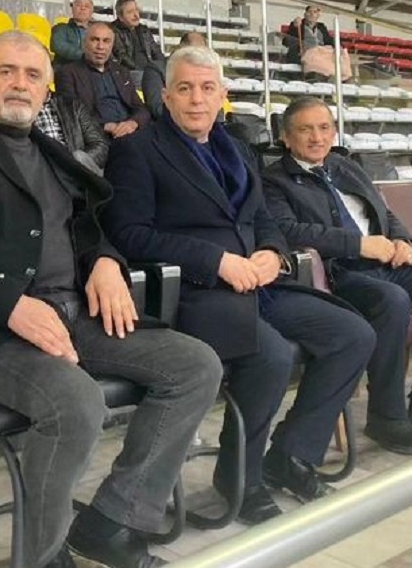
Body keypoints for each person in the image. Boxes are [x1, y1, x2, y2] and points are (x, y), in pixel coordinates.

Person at [0, 31, 222, 568]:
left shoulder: (55, 154)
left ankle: (112, 522)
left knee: (196, 366)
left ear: (46, 90)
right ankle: (42, 558)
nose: (19, 84)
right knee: (76, 403)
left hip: (75, 315)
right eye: (6, 71)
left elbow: (88, 227)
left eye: (32, 75)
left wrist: (107, 262)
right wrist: (8, 302)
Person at [102, 47, 376, 525]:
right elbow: (129, 233)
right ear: (166, 96)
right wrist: (217, 261)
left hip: (258, 285)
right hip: (194, 292)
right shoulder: (137, 150)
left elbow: (263, 218)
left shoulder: (236, 147)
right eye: (185, 88)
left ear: (222, 96)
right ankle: (239, 480)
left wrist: (271, 251)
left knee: (353, 336)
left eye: (207, 88)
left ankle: (291, 455)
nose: (197, 99)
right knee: (269, 356)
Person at [262, 96, 412, 455]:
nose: (317, 137)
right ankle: (386, 417)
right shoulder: (274, 181)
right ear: (286, 138)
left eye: (324, 128)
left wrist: (402, 241)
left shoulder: (344, 165)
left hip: (386, 263)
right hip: (338, 273)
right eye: (305, 130)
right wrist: (359, 245)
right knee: (391, 300)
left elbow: (384, 211)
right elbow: (289, 231)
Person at [55, 22, 150, 140]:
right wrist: (105, 126)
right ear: (84, 43)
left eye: (106, 41)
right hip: (98, 136)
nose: (100, 46)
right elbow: (70, 115)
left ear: (112, 46)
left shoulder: (121, 72)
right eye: (95, 40)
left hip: (130, 132)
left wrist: (133, 123)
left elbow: (141, 108)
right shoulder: (67, 73)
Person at [35, 92, 108, 173]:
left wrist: (74, 162)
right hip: (44, 173)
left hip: (80, 170)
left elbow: (100, 146)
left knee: (79, 156)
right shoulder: (25, 115)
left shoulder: (73, 107)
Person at [142, 30, 206, 120]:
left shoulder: (204, 72)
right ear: (181, 48)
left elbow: (214, 105)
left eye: (202, 53)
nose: (199, 57)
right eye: (195, 52)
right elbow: (157, 108)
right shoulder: (155, 69)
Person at [111, 0, 164, 87]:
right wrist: (143, 70)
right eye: (130, 12)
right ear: (120, 17)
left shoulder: (144, 30)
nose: (136, 15)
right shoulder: (114, 31)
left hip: (149, 70)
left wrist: (161, 67)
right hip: (131, 72)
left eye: (136, 10)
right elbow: (122, 57)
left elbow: (156, 52)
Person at [50, 0, 93, 67]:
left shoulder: (96, 32)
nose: (82, 8)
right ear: (72, 10)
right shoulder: (61, 28)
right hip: (66, 68)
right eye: (79, 5)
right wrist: (85, 56)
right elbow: (59, 46)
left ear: (91, 12)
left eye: (86, 6)